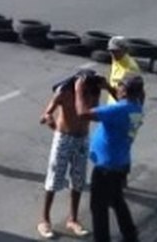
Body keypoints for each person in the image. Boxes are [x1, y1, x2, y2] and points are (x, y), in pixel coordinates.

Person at [75, 73, 144, 242]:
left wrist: (78, 90)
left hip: (107, 167)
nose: (117, 88)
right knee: (116, 200)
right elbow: (122, 103)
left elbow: (83, 114)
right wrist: (109, 88)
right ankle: (130, 235)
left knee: (98, 207)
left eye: (120, 85)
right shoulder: (137, 107)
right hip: (121, 163)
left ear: (125, 91)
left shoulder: (117, 110)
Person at [38, 71, 97, 239]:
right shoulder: (64, 92)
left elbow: (91, 113)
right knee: (54, 178)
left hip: (82, 138)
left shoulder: (92, 93)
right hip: (64, 138)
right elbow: (48, 111)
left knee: (78, 180)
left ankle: (73, 219)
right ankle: (44, 220)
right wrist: (49, 118)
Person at [106, 37, 142, 103]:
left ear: (125, 50)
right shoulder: (116, 60)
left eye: (117, 51)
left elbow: (126, 97)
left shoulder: (131, 68)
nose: (113, 54)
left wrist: (107, 86)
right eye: (111, 51)